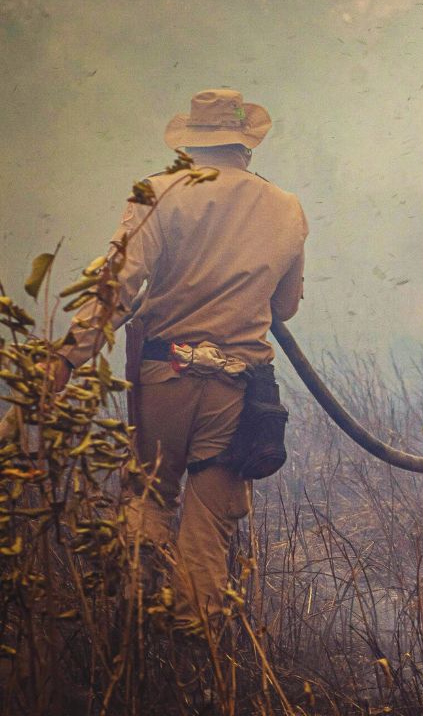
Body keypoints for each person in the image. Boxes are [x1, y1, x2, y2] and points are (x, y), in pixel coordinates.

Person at [51, 89, 308, 629]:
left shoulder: (157, 192)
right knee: (210, 524)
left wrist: (68, 359)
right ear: (247, 147)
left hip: (164, 373)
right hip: (237, 389)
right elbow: (284, 305)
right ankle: (198, 655)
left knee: (147, 496)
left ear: (191, 145)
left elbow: (116, 287)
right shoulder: (286, 207)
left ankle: (129, 633)